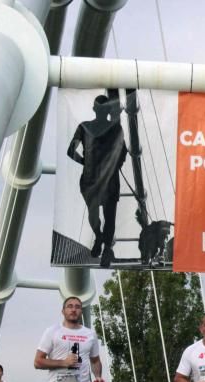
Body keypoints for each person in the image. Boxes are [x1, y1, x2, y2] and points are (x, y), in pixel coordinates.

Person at [67, 94, 128, 268]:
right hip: (99, 180)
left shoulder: (89, 128)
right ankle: (101, 238)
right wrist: (110, 165)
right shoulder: (111, 129)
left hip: (97, 180)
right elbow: (123, 153)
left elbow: (71, 150)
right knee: (103, 217)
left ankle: (105, 246)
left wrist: (85, 162)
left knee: (103, 216)